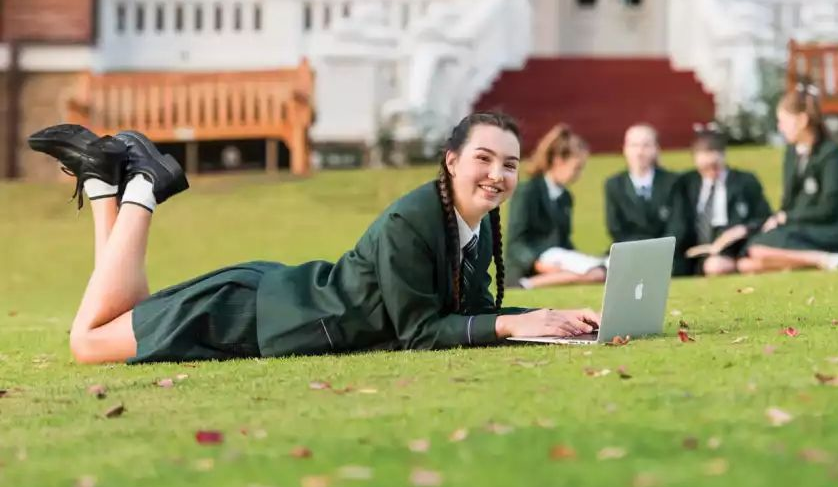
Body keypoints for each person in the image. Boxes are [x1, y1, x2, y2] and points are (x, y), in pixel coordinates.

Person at [26, 113, 600, 365]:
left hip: (268, 302)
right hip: (247, 314)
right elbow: (420, 332)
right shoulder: (414, 219)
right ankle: (147, 185)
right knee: (88, 342)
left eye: (510, 163)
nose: (497, 174)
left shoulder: (471, 227)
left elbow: (468, 314)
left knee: (116, 312)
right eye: (483, 158)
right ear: (451, 161)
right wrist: (511, 324)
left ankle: (104, 180)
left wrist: (546, 315)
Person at [741, 85, 838, 273]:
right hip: (801, 228)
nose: (780, 127)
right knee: (747, 263)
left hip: (830, 229)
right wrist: (780, 218)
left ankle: (826, 257)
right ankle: (823, 261)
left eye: (783, 121)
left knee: (757, 250)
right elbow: (788, 201)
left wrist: (787, 217)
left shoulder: (832, 154)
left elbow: (829, 207)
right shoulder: (792, 154)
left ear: (802, 120)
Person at [506, 124, 606, 288]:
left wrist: (580, 258)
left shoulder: (565, 197)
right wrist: (538, 265)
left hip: (556, 262)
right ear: (559, 161)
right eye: (576, 168)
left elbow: (563, 240)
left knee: (600, 271)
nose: (578, 175)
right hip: (527, 267)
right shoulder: (527, 191)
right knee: (595, 274)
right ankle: (525, 284)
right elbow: (515, 243)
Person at [678, 124, 772, 276]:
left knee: (716, 266)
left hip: (736, 248)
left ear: (723, 156)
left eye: (715, 166)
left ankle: (738, 265)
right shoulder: (687, 184)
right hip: (697, 251)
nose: (711, 171)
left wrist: (744, 229)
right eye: (705, 167)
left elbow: (765, 217)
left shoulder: (745, 181)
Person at [604, 124, 687, 273]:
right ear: (625, 149)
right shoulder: (614, 185)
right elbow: (615, 227)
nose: (639, 152)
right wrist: (639, 252)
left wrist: (657, 252)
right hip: (630, 253)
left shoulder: (672, 182)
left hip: (666, 255)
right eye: (634, 145)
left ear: (656, 149)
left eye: (646, 145)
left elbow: (677, 225)